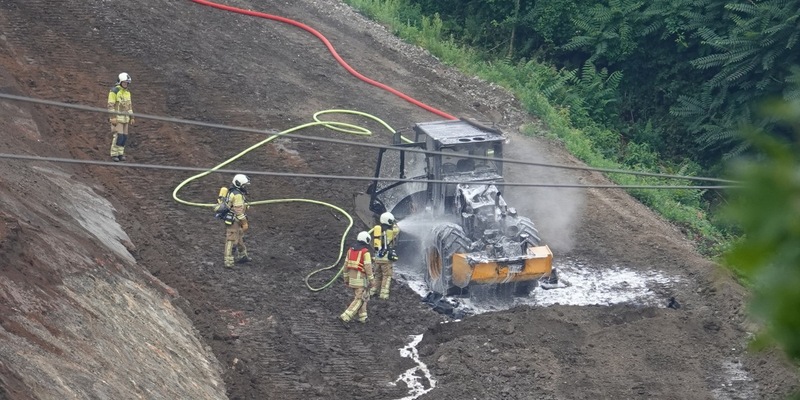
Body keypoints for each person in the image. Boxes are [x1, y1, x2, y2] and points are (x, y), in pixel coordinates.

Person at [214, 174, 251, 268]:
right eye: (244, 185)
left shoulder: (234, 191)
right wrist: (244, 222)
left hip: (235, 218)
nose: (245, 187)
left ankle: (243, 255)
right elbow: (238, 211)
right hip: (234, 220)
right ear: (239, 184)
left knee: (238, 237)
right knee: (231, 239)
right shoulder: (237, 195)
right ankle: (228, 261)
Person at [339, 231, 376, 324]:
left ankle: (363, 317)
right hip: (361, 280)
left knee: (361, 297)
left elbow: (345, 266)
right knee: (360, 299)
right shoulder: (365, 253)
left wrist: (346, 279)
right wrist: (372, 280)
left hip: (352, 280)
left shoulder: (350, 251)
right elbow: (368, 267)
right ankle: (346, 317)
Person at [370, 212, 400, 299]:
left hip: (377, 257)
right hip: (386, 258)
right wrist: (395, 223)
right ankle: (384, 295)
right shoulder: (391, 231)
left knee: (377, 275)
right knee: (386, 276)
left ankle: (373, 291)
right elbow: (397, 229)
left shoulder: (377, 230)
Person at [107, 72, 134, 162]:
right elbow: (110, 105)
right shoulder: (114, 91)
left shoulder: (127, 93)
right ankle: (114, 154)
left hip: (125, 118)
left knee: (124, 137)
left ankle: (120, 153)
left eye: (127, 83)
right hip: (117, 118)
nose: (126, 84)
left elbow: (129, 106)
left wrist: (132, 117)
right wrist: (113, 117)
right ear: (120, 82)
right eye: (124, 83)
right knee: (118, 136)